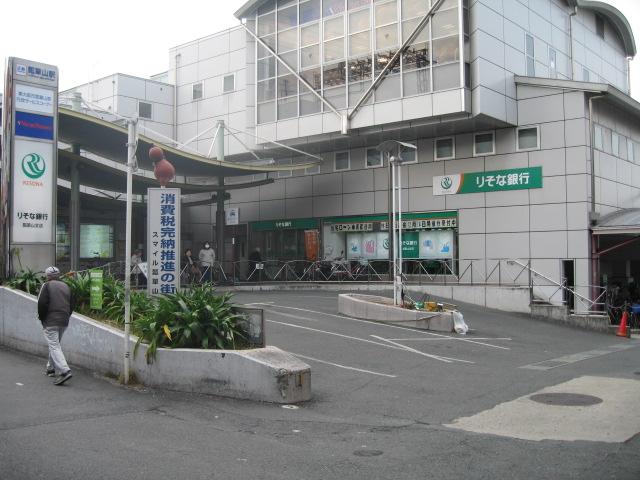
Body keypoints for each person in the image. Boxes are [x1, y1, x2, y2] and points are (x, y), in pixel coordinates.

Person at [37, 266, 74, 386]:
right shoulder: (66, 286)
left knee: (54, 346)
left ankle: (64, 370)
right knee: (55, 344)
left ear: (48, 276)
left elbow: (41, 303)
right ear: (58, 275)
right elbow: (72, 304)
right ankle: (50, 368)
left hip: (50, 320)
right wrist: (66, 316)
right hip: (64, 320)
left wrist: (42, 319)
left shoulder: (46, 286)